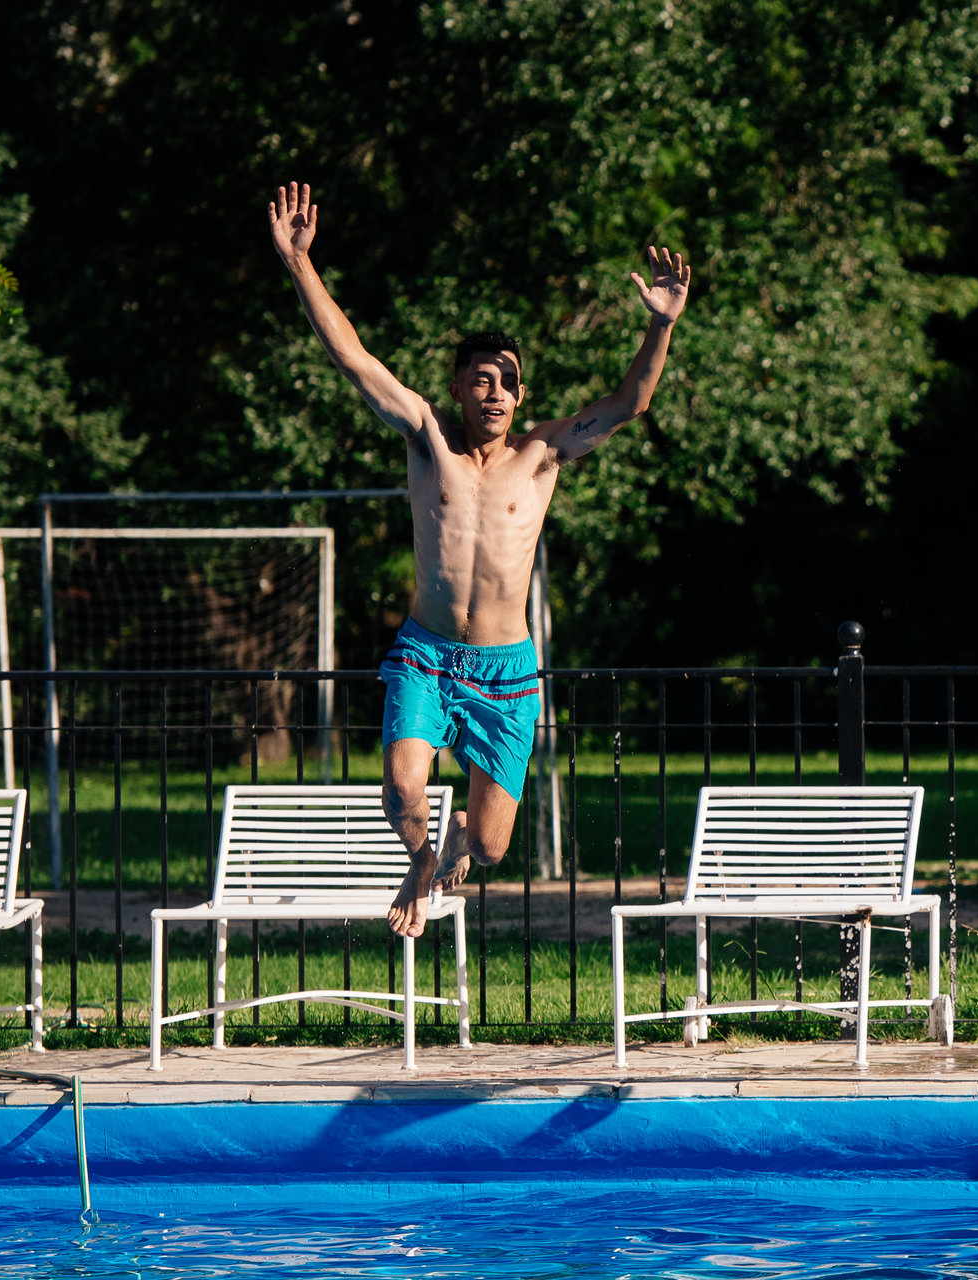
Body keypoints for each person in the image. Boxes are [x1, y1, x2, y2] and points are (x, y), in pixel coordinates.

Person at [266, 181, 691, 936]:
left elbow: (632, 403)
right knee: (402, 791)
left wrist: (659, 327)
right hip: (426, 655)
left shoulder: (542, 454)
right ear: (458, 386)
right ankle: (422, 856)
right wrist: (301, 266)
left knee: (493, 847)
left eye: (506, 382)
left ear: (522, 397)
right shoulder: (428, 439)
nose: (493, 392)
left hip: (506, 670)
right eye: (480, 379)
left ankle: (462, 837)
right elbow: (354, 359)